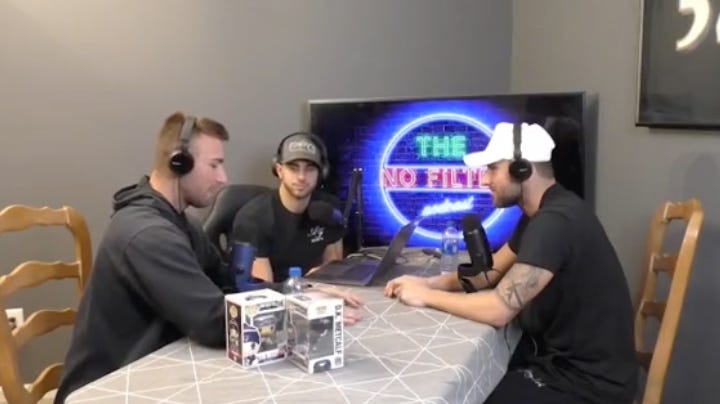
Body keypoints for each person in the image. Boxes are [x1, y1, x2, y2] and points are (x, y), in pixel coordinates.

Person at [384, 122, 637, 404]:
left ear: (521, 169)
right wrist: (430, 282)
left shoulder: (554, 223)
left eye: (492, 168)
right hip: (562, 367)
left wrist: (427, 297)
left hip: (588, 387)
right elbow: (489, 275)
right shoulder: (540, 214)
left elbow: (498, 309)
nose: (483, 180)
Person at [54, 112, 233, 403]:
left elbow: (224, 280)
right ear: (180, 163)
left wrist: (297, 293)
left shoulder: (181, 224)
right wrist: (295, 314)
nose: (223, 178)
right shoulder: (147, 234)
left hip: (153, 375)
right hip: (104, 391)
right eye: (214, 165)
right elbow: (214, 323)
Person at [231, 132, 344, 284]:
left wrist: (323, 280)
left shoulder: (328, 208)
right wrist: (307, 284)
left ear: (321, 173)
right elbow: (263, 292)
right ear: (279, 170)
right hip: (279, 298)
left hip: (319, 297)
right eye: (293, 168)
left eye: (310, 169)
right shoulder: (254, 218)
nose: (301, 177)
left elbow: (334, 272)